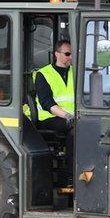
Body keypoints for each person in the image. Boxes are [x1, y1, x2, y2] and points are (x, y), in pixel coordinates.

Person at [24, 40, 75, 177]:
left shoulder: (75, 73)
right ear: (56, 54)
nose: (70, 57)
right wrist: (68, 116)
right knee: (76, 131)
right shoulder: (43, 74)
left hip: (72, 116)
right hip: (50, 118)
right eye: (67, 53)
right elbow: (47, 103)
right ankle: (72, 175)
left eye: (72, 54)